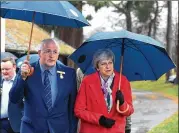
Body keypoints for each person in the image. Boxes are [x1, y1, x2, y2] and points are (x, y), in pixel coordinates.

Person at [9, 38, 78, 133]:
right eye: (48, 51)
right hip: (32, 128)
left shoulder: (69, 73)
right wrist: (22, 77)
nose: (51, 55)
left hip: (60, 129)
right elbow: (14, 99)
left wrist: (72, 130)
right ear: (39, 53)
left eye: (55, 52)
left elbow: (72, 106)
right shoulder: (27, 70)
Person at [74, 49, 134, 133]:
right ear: (97, 67)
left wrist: (122, 103)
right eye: (103, 64)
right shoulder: (87, 81)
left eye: (110, 62)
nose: (108, 67)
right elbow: (78, 111)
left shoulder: (123, 81)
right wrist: (99, 119)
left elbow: (130, 110)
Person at [1, 57, 22, 133]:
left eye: (7, 69)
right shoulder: (1, 82)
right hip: (2, 123)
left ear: (14, 67)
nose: (4, 71)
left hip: (17, 123)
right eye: (2, 69)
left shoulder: (21, 81)